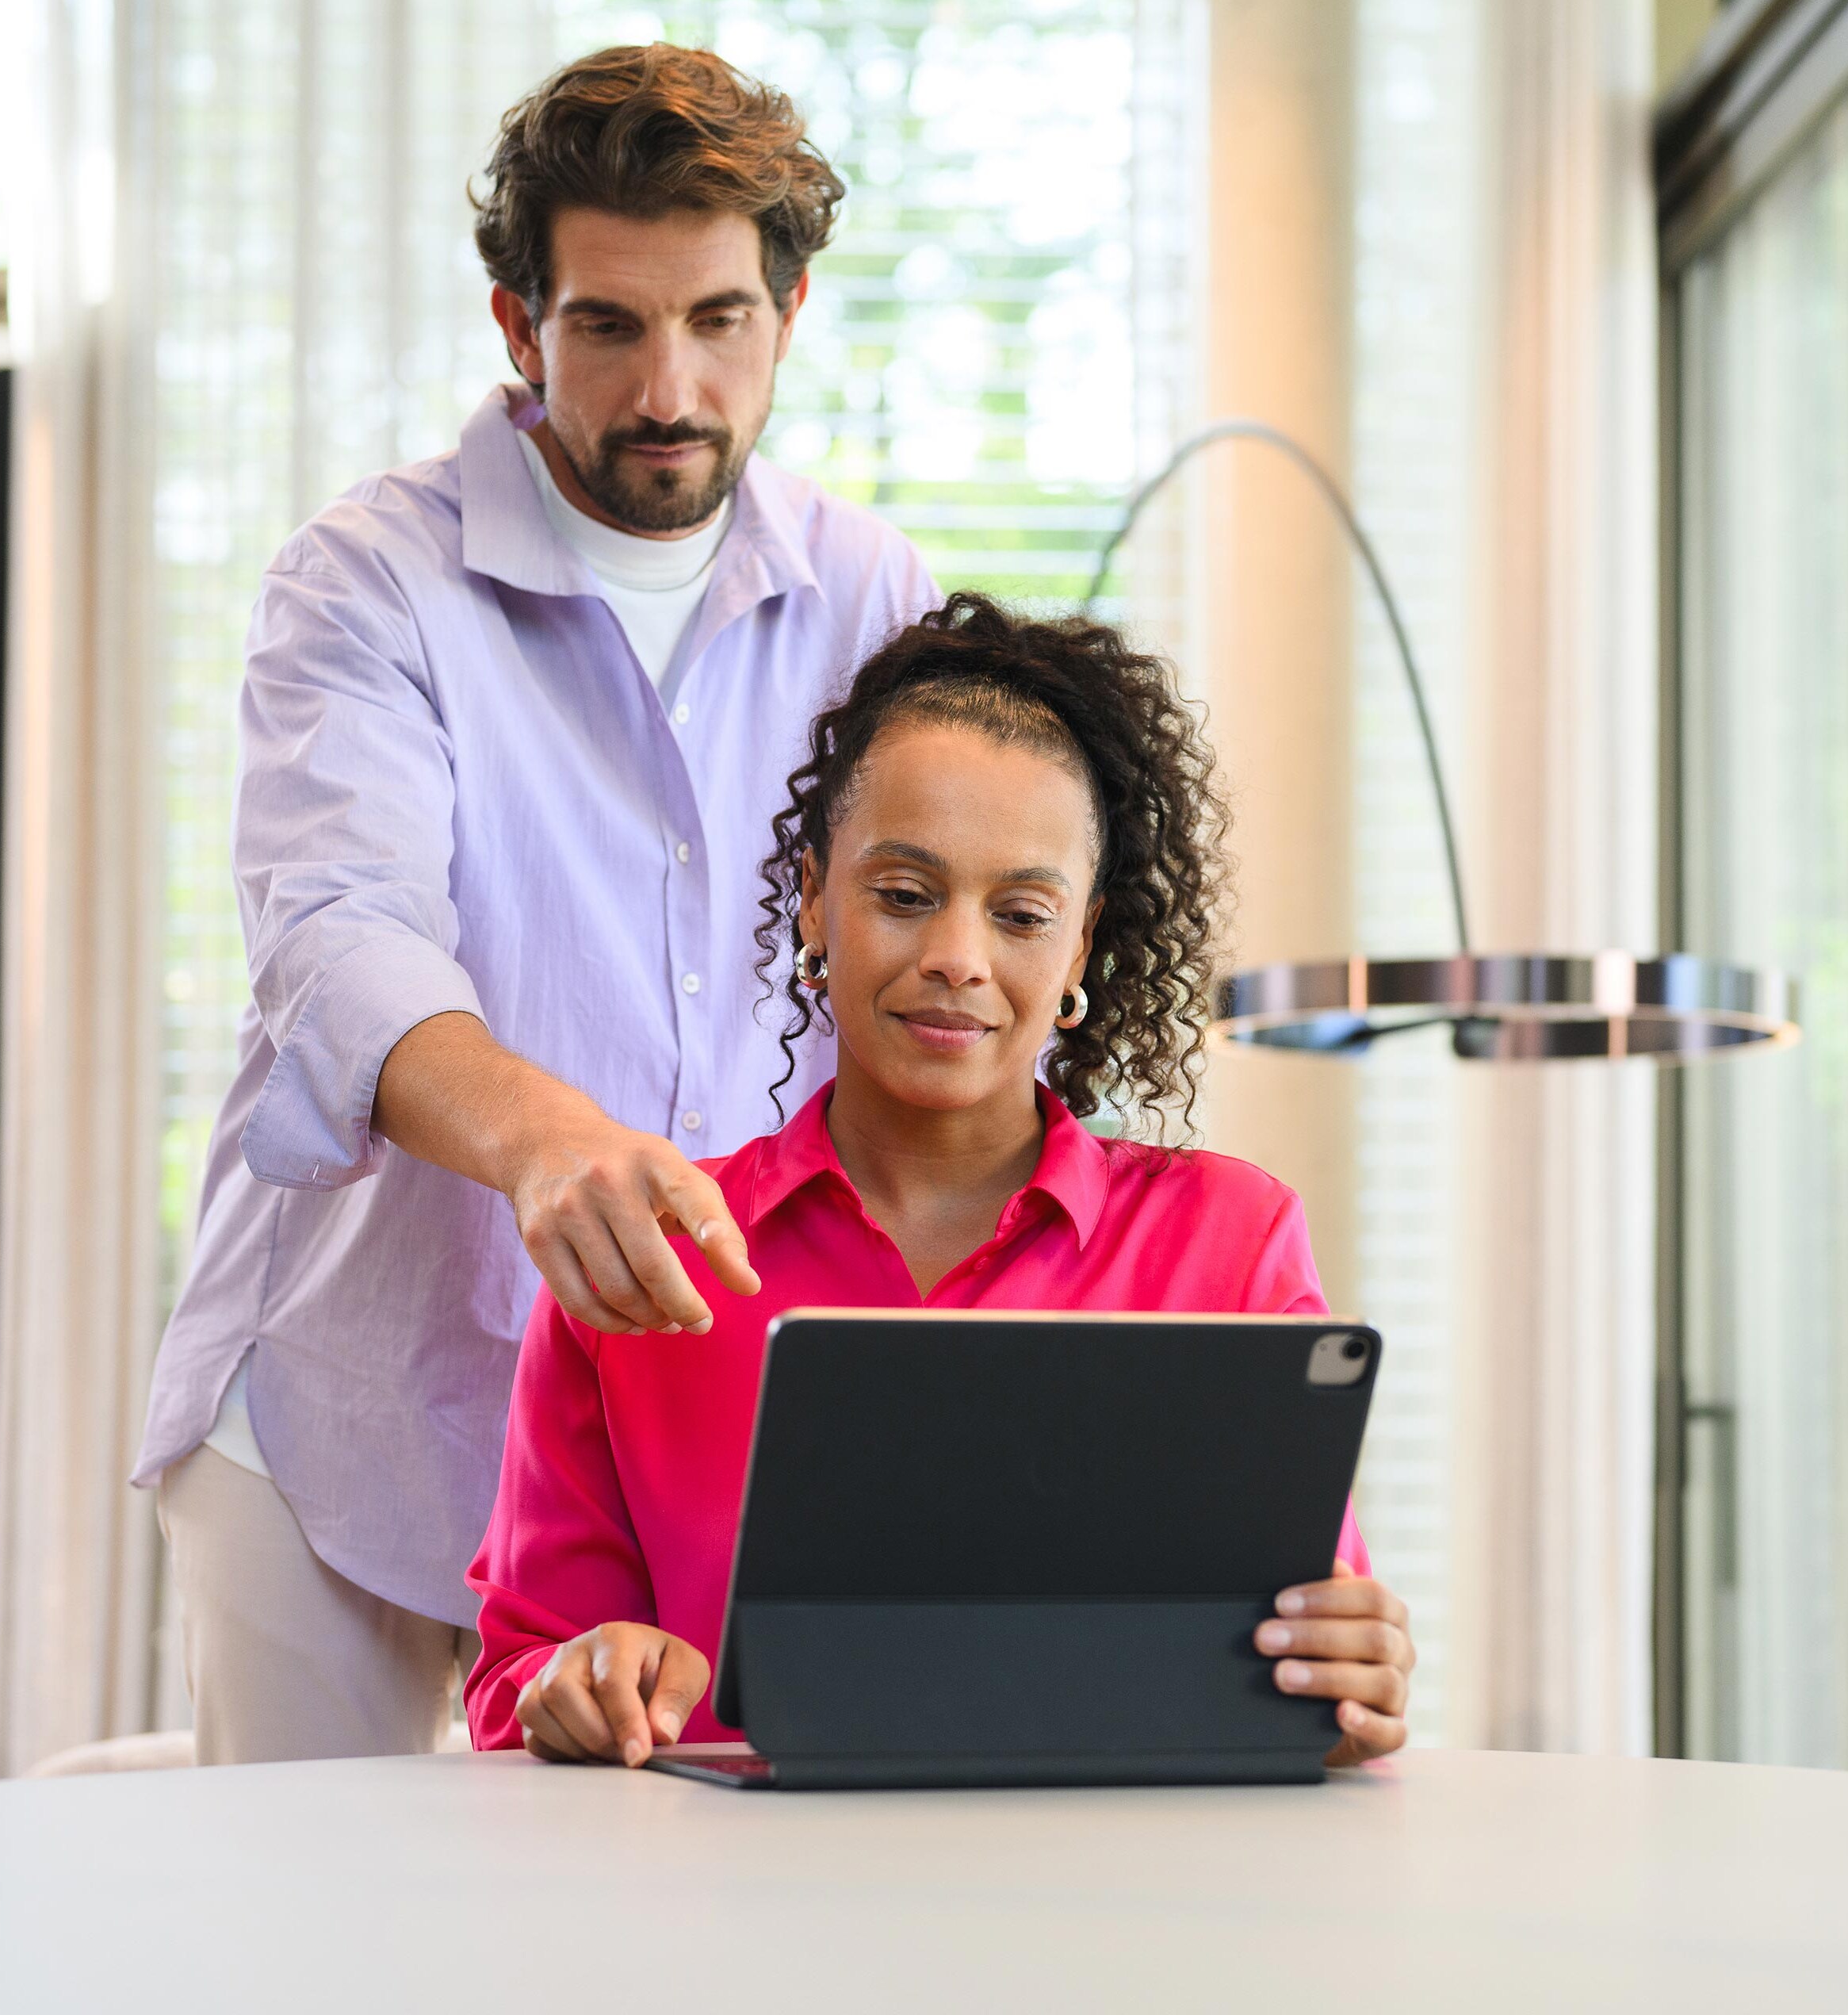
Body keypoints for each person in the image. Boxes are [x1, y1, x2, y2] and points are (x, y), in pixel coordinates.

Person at [130, 44, 939, 1764]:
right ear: (518, 325)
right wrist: (541, 1139)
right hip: (348, 1405)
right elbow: (339, 929)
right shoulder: (368, 580)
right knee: (319, 1943)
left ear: (787, 315)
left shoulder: (877, 597)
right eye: (608, 326)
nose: (671, 386)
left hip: (677, 1417)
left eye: (719, 321)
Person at [463, 593, 1417, 1769]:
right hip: (727, 1916)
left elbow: (1310, 1662)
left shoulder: (1230, 1239)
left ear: (1081, 947)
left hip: (1117, 1912)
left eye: (1021, 913)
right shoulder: (642, 1251)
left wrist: (1348, 1678)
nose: (958, 958)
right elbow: (517, 1676)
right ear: (814, 900)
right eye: (906, 895)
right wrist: (577, 1681)